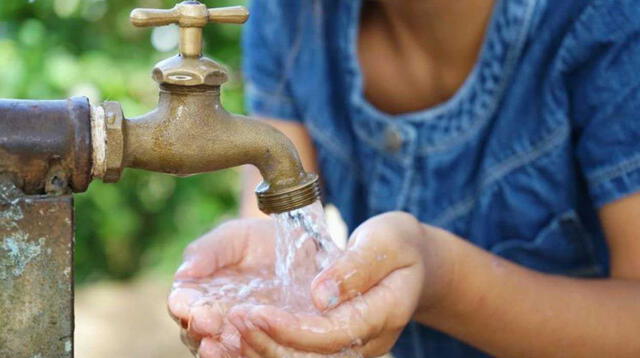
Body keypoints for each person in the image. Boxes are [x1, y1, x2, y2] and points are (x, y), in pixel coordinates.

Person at [169, 0, 640, 357]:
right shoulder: (290, 14)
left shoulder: (608, 25)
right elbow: (278, 195)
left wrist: (440, 278)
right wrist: (262, 292)